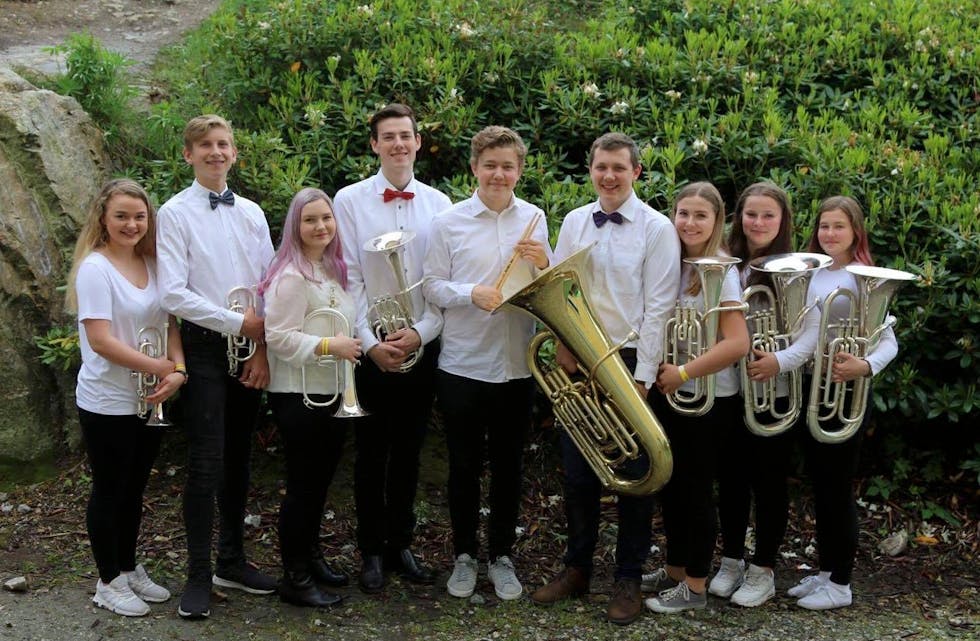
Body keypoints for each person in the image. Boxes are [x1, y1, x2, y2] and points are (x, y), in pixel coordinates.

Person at [529, 133, 680, 625]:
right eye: (600, 167)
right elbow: (559, 286)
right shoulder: (575, 220)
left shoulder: (657, 229)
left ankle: (629, 577)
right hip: (580, 354)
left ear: (636, 172)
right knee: (579, 475)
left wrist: (640, 378)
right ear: (591, 171)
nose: (609, 176)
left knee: (634, 475)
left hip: (629, 357)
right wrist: (565, 345)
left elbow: (659, 307)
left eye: (619, 167)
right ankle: (577, 571)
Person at [423, 125, 552, 602]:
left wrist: (543, 260)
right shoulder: (448, 222)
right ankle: (463, 555)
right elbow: (431, 285)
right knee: (463, 466)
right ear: (474, 168)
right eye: (490, 165)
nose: (499, 174)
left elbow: (548, 284)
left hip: (516, 366)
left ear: (520, 170)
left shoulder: (535, 217)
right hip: (462, 365)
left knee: (508, 467)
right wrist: (469, 293)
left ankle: (501, 555)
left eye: (508, 166)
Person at [156, 114, 277, 619]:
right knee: (206, 463)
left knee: (239, 459)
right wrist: (236, 322)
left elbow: (272, 282)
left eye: (223, 144)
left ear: (234, 153)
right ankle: (199, 575)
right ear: (188, 154)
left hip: (251, 348)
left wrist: (264, 347)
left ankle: (232, 559)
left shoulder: (251, 211)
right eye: (204, 145)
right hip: (205, 346)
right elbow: (172, 292)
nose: (215, 152)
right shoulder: (173, 213)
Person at [332, 103, 451, 593]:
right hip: (372, 344)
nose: (398, 144)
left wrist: (421, 333)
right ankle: (371, 552)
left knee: (408, 450)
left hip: (420, 341)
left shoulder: (441, 204)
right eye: (388, 136)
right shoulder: (348, 200)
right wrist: (368, 343)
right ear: (374, 144)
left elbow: (442, 281)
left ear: (418, 142)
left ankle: (401, 543)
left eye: (406, 135)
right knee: (370, 453)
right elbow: (350, 279)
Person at [67, 178, 186, 617]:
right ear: (103, 218)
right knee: (109, 489)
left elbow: (171, 322)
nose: (131, 224)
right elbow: (99, 340)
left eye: (139, 216)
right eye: (121, 216)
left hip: (149, 396)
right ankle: (107, 580)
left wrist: (179, 369)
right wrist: (161, 368)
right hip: (107, 400)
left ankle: (128, 566)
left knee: (134, 488)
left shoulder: (154, 262)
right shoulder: (95, 268)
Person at [786, 195, 898, 610]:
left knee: (837, 488)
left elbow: (890, 343)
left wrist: (864, 367)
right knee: (821, 485)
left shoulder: (865, 277)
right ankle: (826, 573)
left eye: (838, 226)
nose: (829, 234)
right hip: (812, 383)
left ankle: (842, 584)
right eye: (824, 226)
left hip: (846, 391)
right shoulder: (810, 273)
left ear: (855, 232)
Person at [642, 182, 750, 613]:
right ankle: (674, 569)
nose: (689, 223)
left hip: (709, 399)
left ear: (717, 221)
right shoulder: (674, 264)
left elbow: (736, 343)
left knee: (696, 491)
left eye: (700, 216)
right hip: (673, 392)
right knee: (671, 486)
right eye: (682, 213)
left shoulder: (721, 271)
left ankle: (696, 587)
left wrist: (683, 371)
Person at [711, 181, 815, 607]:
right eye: (751, 214)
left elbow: (812, 331)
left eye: (768, 215)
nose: (758, 222)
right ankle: (732, 559)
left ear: (782, 221)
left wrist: (780, 361)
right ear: (739, 217)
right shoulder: (724, 264)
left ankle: (764, 569)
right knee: (731, 479)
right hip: (729, 387)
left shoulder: (801, 268)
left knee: (770, 482)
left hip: (776, 388)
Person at [259, 188, 362, 608]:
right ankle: (294, 578)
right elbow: (277, 336)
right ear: (295, 227)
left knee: (319, 484)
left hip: (332, 391)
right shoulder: (291, 275)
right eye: (310, 220)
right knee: (303, 487)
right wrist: (329, 347)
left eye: (326, 218)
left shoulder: (332, 270)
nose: (320, 226)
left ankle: (311, 557)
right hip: (298, 394)